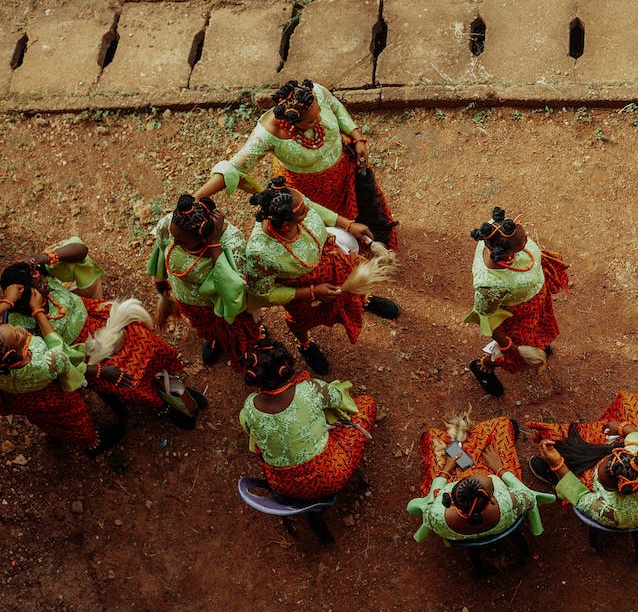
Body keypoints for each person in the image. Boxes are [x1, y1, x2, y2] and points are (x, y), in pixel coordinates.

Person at [1, 242, 202, 428]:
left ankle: (171, 384)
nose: (45, 284)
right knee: (130, 379)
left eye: (42, 278)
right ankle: (162, 405)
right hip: (84, 353)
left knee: (150, 345)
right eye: (36, 288)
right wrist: (101, 371)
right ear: (20, 302)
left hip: (101, 319)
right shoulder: (20, 329)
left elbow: (81, 250)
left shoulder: (45, 279)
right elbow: (59, 360)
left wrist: (41, 258)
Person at [194, 78, 398, 249]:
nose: (318, 120)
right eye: (310, 121)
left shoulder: (314, 92)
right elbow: (233, 169)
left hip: (345, 171)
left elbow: (335, 107)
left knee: (368, 209)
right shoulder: (267, 135)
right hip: (309, 191)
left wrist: (356, 135)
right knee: (327, 235)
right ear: (291, 122)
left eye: (318, 113)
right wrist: (197, 197)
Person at [244, 177, 398, 375]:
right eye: (302, 212)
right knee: (300, 321)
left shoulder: (295, 204)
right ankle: (305, 342)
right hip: (303, 294)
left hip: (336, 264)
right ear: (285, 226)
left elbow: (313, 206)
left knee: (352, 289)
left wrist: (348, 225)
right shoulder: (259, 252)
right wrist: (312, 292)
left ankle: (364, 299)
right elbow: (264, 293)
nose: (308, 210)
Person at [238, 337, 376, 500]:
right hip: (329, 477)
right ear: (286, 365)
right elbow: (339, 399)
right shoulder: (311, 389)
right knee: (366, 403)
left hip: (282, 486)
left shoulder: (249, 407)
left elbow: (251, 432)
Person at [528, 391, 638, 529]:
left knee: (555, 457)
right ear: (633, 454)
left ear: (617, 491)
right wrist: (622, 427)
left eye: (600, 479)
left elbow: (580, 496)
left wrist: (557, 463)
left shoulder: (609, 511)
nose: (597, 469)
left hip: (631, 516)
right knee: (629, 400)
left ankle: (550, 474)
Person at [0, 286, 124, 456]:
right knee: (74, 418)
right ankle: (93, 443)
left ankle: (56, 434)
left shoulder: (5, 366)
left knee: (46, 420)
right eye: (16, 335)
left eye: (11, 325)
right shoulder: (42, 364)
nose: (20, 329)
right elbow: (59, 350)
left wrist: (7, 303)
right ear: (12, 354)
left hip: (26, 403)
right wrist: (38, 311)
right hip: (54, 399)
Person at [464, 207, 570, 397]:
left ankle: (538, 343)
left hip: (535, 306)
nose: (527, 241)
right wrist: (510, 347)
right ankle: (484, 366)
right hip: (518, 317)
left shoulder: (496, 232)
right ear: (505, 253)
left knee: (540, 331)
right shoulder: (490, 285)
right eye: (523, 242)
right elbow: (488, 318)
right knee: (516, 356)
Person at [147, 194, 261, 370]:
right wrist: (160, 278)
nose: (174, 242)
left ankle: (237, 348)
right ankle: (214, 340)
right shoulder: (170, 225)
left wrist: (214, 244)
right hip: (189, 302)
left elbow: (230, 288)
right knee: (207, 330)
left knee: (233, 332)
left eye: (182, 241)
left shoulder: (231, 243)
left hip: (218, 307)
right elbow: (161, 250)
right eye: (174, 236)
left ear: (204, 238)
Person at [407, 414, 554, 543]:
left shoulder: (437, 516)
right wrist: (499, 469)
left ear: (450, 496)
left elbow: (432, 498)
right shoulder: (509, 502)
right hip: (497, 471)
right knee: (503, 424)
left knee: (432, 436)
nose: (474, 471)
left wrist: (446, 470)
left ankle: (460, 446)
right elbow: (528, 495)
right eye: (489, 480)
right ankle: (472, 443)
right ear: (492, 499)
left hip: (453, 475)